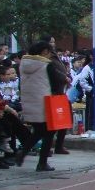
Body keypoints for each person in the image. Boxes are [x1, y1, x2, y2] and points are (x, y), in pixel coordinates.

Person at [19, 40, 67, 172]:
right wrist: (65, 79)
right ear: (45, 52)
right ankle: (41, 162)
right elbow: (57, 81)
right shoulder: (47, 65)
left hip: (29, 103)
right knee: (49, 132)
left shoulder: (23, 64)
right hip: (45, 104)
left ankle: (23, 153)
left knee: (39, 131)